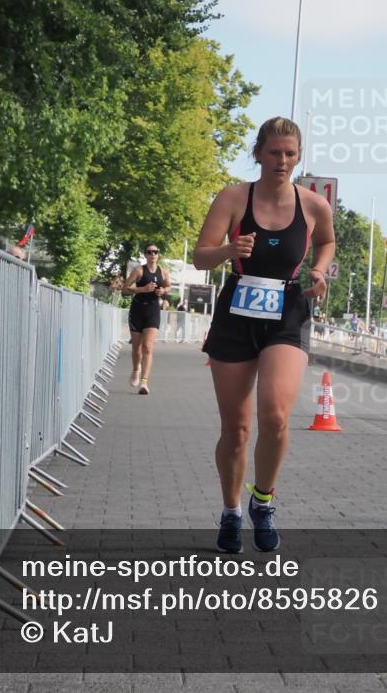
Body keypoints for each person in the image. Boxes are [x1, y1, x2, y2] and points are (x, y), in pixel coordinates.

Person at [193, 117, 335, 553]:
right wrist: (228, 250)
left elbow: (327, 242)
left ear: (299, 156)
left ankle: (264, 502)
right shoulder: (234, 198)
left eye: (290, 154)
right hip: (237, 313)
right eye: (274, 153)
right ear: (259, 154)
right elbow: (201, 257)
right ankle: (232, 511)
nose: (282, 161)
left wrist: (318, 269)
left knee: (274, 417)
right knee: (236, 429)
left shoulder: (314, 206)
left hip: (288, 313)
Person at [121, 245, 170, 395]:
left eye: (155, 252)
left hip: (153, 310)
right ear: (145, 255)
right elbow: (124, 289)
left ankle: (144, 382)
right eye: (149, 252)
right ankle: (136, 369)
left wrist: (163, 291)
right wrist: (142, 289)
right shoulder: (139, 271)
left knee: (148, 346)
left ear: (158, 255)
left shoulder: (164, 272)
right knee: (137, 348)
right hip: (137, 310)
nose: (153, 254)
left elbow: (168, 286)